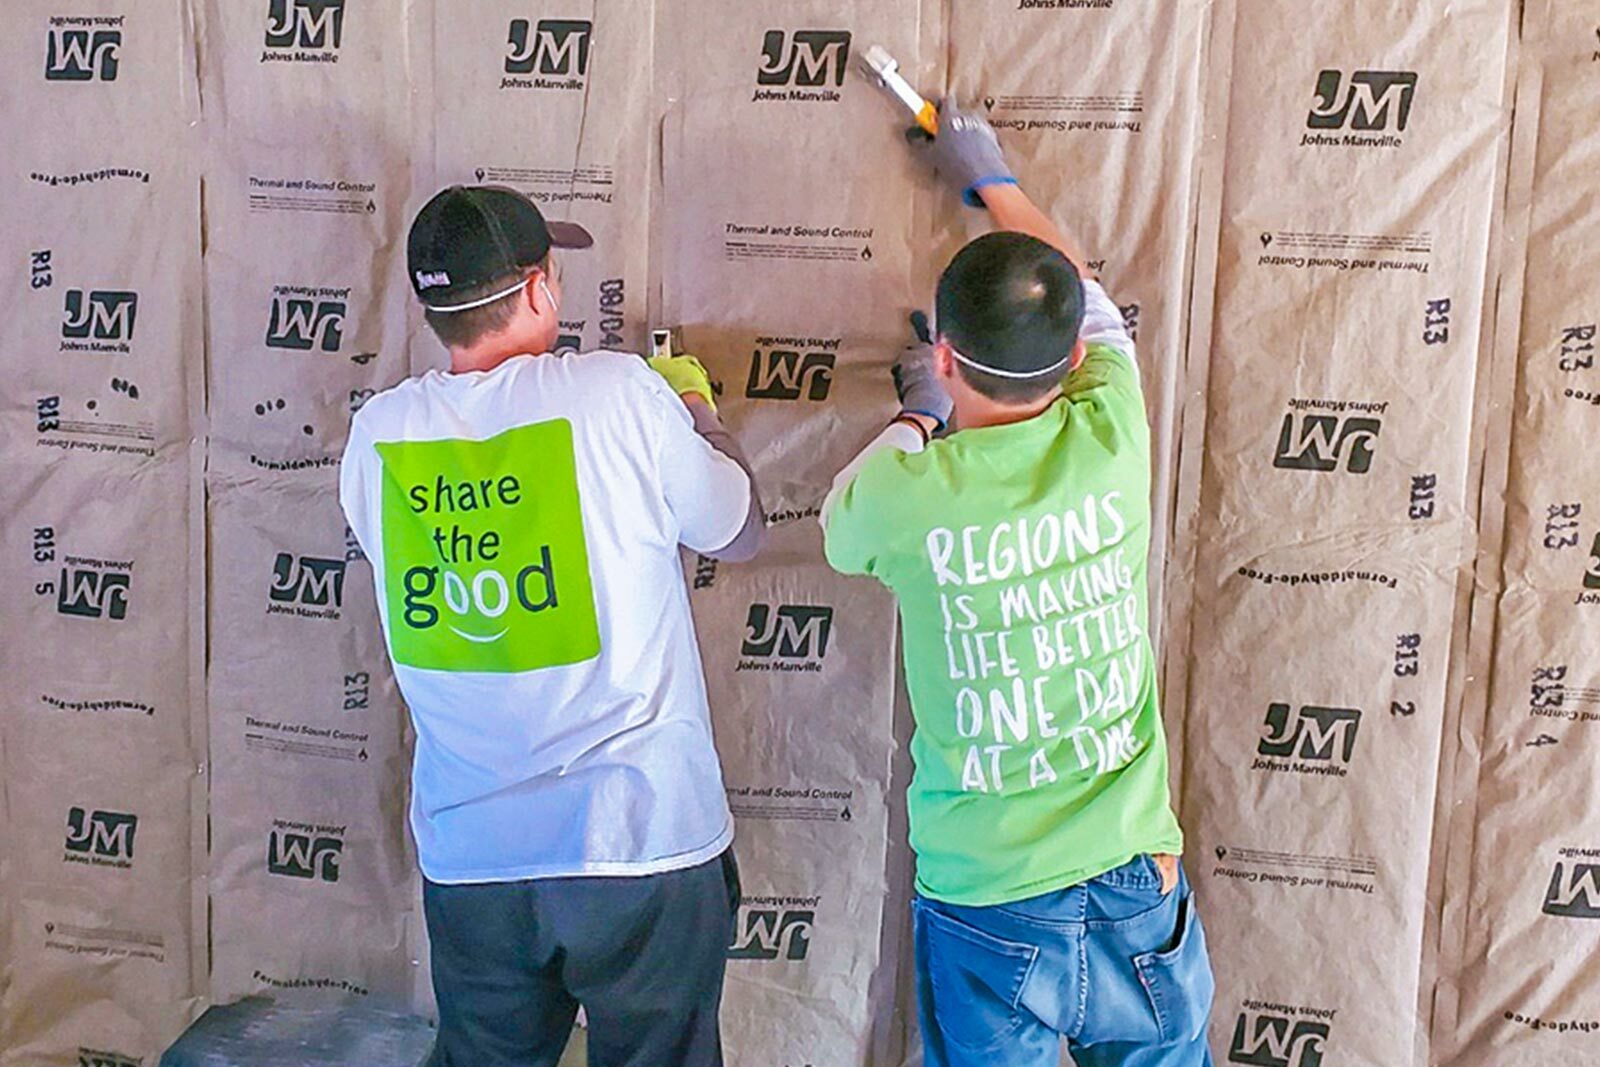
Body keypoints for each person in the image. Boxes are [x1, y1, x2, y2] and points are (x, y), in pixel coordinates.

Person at [820, 101, 1215, 1066]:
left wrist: (920, 415)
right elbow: (1088, 296)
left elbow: (838, 519)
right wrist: (990, 177)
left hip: (987, 898)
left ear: (943, 356)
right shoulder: (1113, 430)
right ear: (1073, 361)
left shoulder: (906, 494)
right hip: (1133, 879)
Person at [339, 185, 764, 1067]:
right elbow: (740, 528)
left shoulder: (378, 435)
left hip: (475, 861)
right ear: (538, 289)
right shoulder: (618, 394)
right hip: (637, 841)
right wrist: (694, 409)